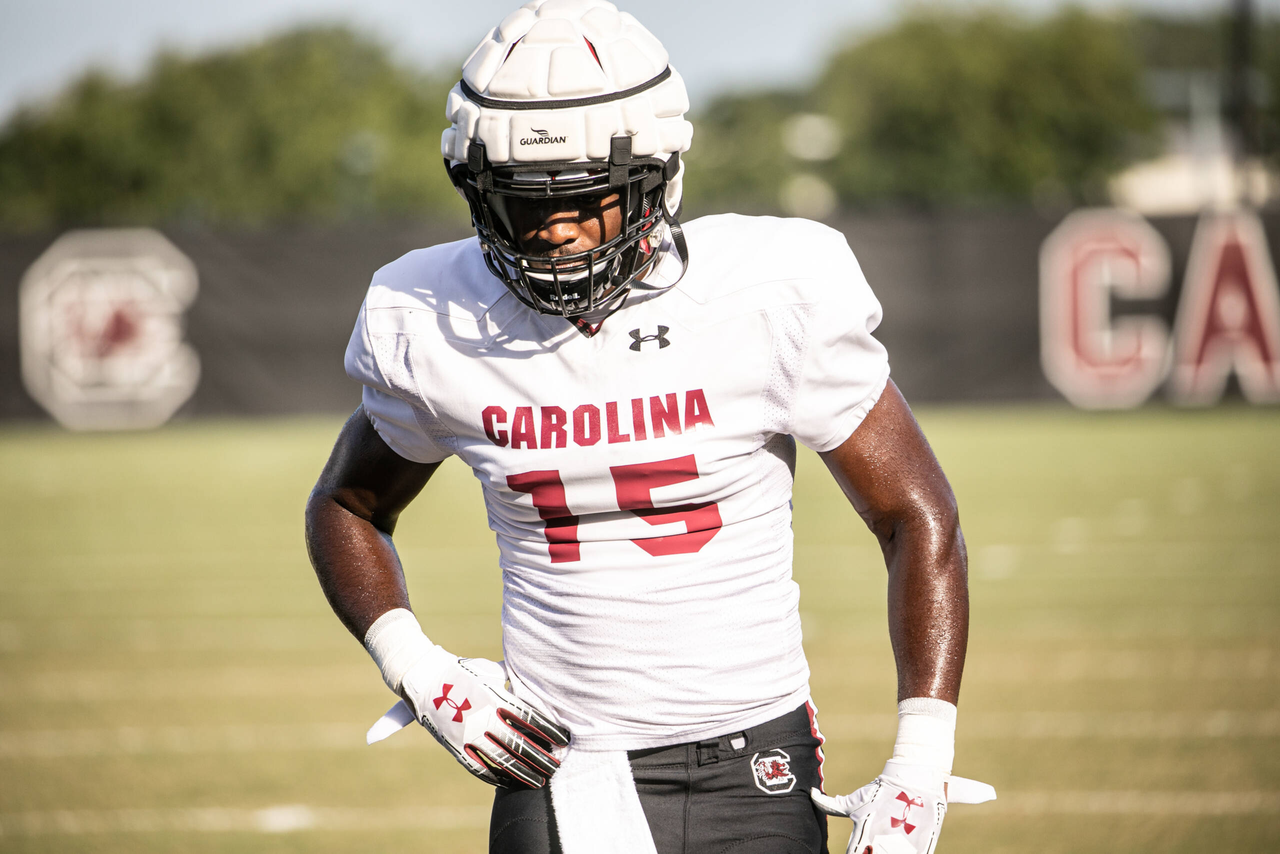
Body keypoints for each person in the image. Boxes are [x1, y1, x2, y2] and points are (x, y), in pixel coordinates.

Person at [305, 2, 991, 852]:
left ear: (654, 180)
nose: (553, 232)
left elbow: (915, 511)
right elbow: (347, 505)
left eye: (587, 199)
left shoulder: (763, 295)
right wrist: (415, 662)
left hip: (755, 762)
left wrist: (922, 759)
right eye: (521, 203)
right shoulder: (433, 316)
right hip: (555, 760)